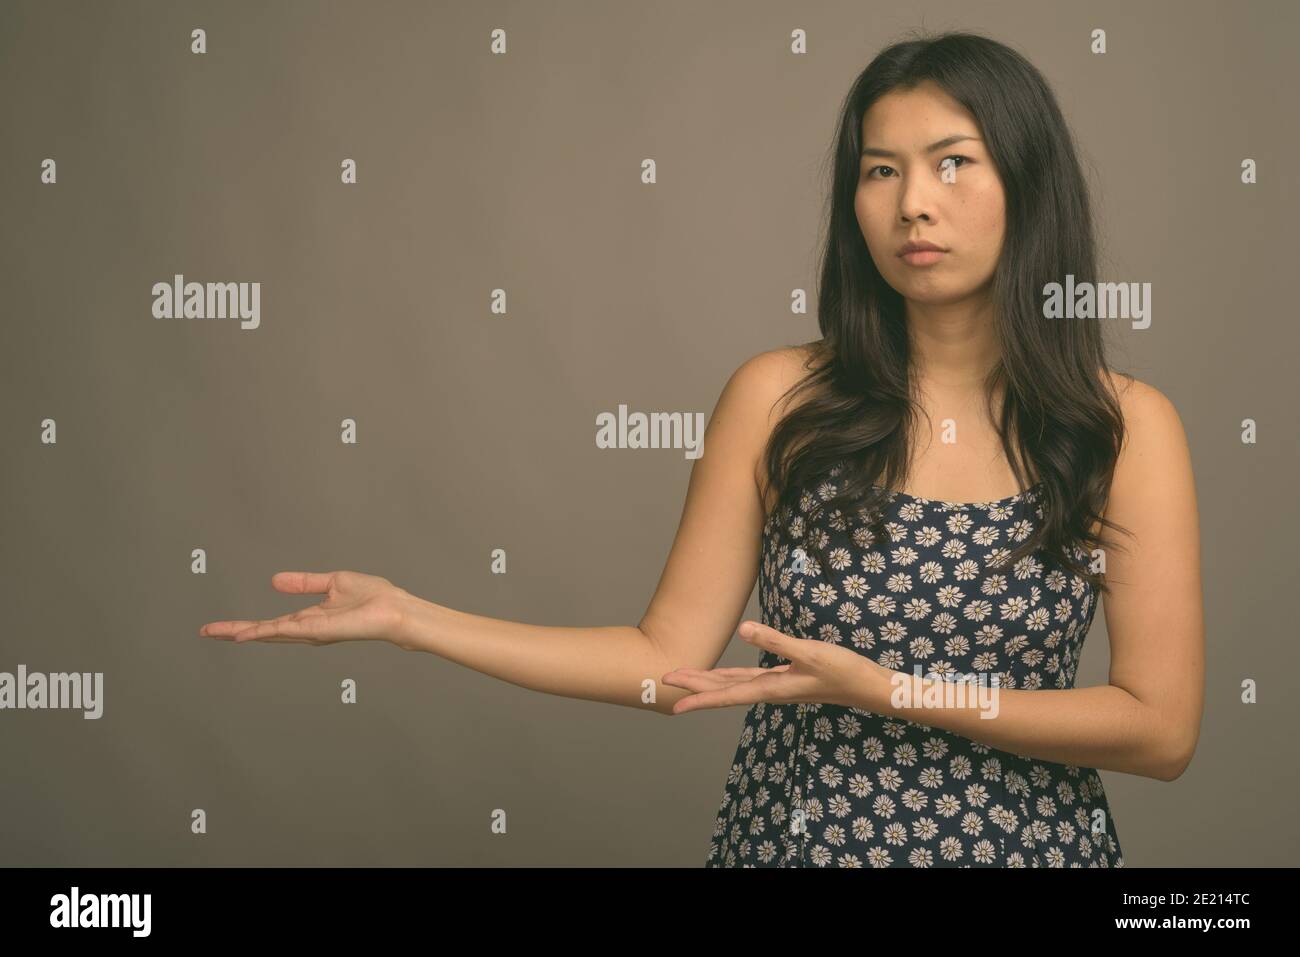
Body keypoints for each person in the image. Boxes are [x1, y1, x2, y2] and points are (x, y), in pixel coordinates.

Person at [198, 31, 1205, 868]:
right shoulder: (778, 400)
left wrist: (889, 690)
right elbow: (662, 662)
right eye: (879, 170)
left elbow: (1160, 733)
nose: (912, 204)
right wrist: (413, 619)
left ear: (1027, 186)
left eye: (952, 163)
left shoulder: (1123, 428)